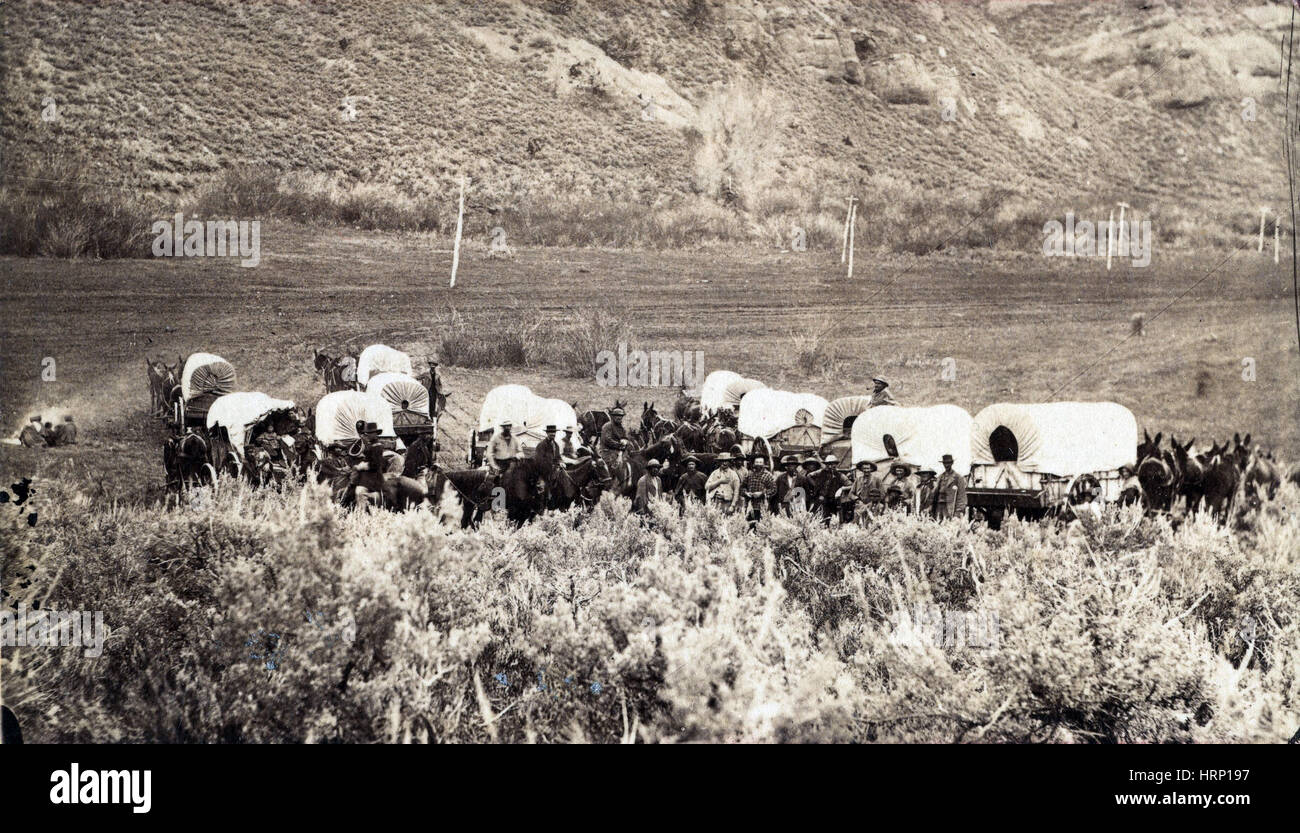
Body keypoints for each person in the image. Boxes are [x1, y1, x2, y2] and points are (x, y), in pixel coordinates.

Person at [741, 456, 776, 529]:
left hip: (763, 507)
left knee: (762, 527)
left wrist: (762, 493)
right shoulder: (749, 474)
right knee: (749, 527)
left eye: (760, 462)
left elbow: (773, 489)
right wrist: (746, 493)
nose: (758, 464)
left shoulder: (768, 475)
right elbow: (742, 487)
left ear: (764, 464)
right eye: (757, 462)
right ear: (754, 463)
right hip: (750, 506)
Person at [534, 425, 563, 505]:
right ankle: (540, 506)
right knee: (542, 488)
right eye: (550, 432)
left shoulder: (556, 445)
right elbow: (538, 460)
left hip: (554, 471)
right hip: (543, 472)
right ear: (547, 433)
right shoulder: (542, 445)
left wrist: (561, 462)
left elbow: (558, 457)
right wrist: (549, 467)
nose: (552, 434)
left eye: (554, 432)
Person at [933, 453, 967, 521]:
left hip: (950, 506)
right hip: (939, 506)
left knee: (949, 525)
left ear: (952, 463)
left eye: (948, 463)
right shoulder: (940, 477)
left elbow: (962, 496)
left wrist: (958, 512)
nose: (946, 465)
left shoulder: (958, 478)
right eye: (945, 463)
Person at [850, 460, 882, 526]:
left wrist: (874, 501)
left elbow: (882, 494)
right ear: (861, 469)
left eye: (868, 468)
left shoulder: (877, 480)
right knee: (857, 524)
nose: (866, 470)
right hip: (860, 505)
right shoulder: (858, 480)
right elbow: (851, 494)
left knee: (871, 523)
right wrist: (857, 500)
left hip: (873, 505)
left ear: (871, 469)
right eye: (864, 468)